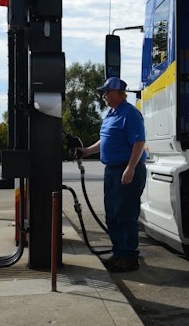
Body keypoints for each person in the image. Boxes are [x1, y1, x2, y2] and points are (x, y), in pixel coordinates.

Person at [76, 77, 147, 272]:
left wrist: (131, 167)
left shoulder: (130, 114)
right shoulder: (111, 114)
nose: (103, 95)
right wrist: (87, 151)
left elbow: (139, 142)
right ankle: (119, 254)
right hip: (112, 171)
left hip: (126, 169)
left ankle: (129, 258)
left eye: (106, 92)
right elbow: (105, 140)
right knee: (113, 214)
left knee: (125, 215)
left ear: (116, 93)